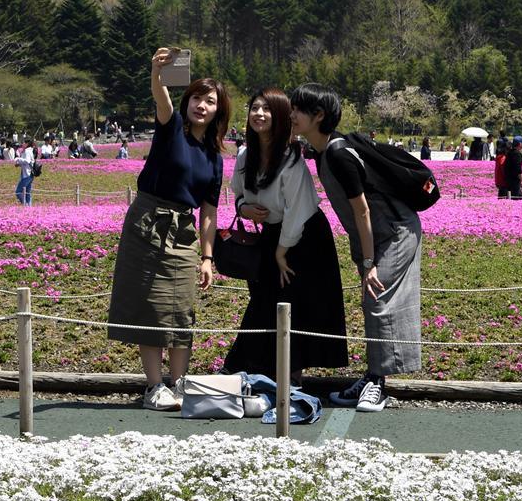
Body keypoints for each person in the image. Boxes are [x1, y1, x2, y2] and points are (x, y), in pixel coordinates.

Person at [108, 48, 230, 411]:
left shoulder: (215, 158)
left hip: (183, 232)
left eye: (210, 101)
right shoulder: (171, 125)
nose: (201, 106)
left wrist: (207, 257)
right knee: (151, 306)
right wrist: (156, 72)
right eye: (196, 98)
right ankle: (154, 386)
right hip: (147, 222)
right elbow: (161, 97)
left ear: (219, 111)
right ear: (186, 100)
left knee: (180, 308)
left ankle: (179, 384)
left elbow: (209, 212)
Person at [290, 83, 422, 413]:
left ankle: (378, 383)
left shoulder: (337, 153)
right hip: (377, 235)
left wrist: (368, 262)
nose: (291, 114)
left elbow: (361, 210)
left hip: (395, 231)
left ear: (318, 116)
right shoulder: (322, 151)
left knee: (377, 299)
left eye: (298, 109)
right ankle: (373, 376)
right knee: (372, 300)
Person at [223, 89, 348, 381]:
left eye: (267, 109)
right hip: (273, 235)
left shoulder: (291, 159)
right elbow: (237, 193)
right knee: (265, 300)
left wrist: (282, 252)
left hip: (305, 238)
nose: (259, 114)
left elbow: (297, 209)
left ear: (280, 115)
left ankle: (287, 375)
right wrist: (243, 209)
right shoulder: (245, 155)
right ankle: (255, 369)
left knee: (297, 302)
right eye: (255, 108)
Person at [14, 138, 35, 206]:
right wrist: (19, 164)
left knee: (18, 191)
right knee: (28, 193)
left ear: (27, 144)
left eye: (23, 142)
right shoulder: (29, 150)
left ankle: (25, 204)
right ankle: (29, 207)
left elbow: (27, 161)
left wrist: (18, 159)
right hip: (30, 174)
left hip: (27, 174)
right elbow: (27, 162)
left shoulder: (27, 151)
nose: (22, 144)